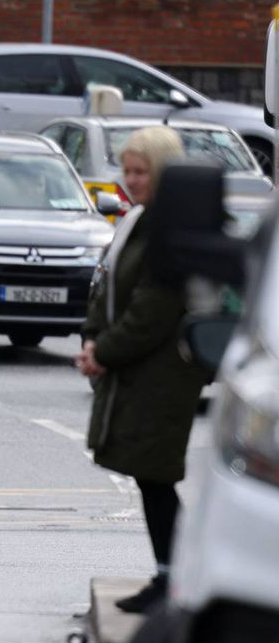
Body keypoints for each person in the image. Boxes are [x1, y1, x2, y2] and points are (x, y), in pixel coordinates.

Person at [74, 126, 207, 614]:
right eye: (126, 170)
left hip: (163, 373)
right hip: (136, 370)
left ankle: (175, 580)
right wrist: (93, 336)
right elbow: (106, 284)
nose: (130, 180)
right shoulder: (140, 220)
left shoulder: (170, 228)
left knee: (155, 474)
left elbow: (154, 308)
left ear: (164, 172)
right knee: (151, 476)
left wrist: (103, 351)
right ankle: (175, 576)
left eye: (141, 171)